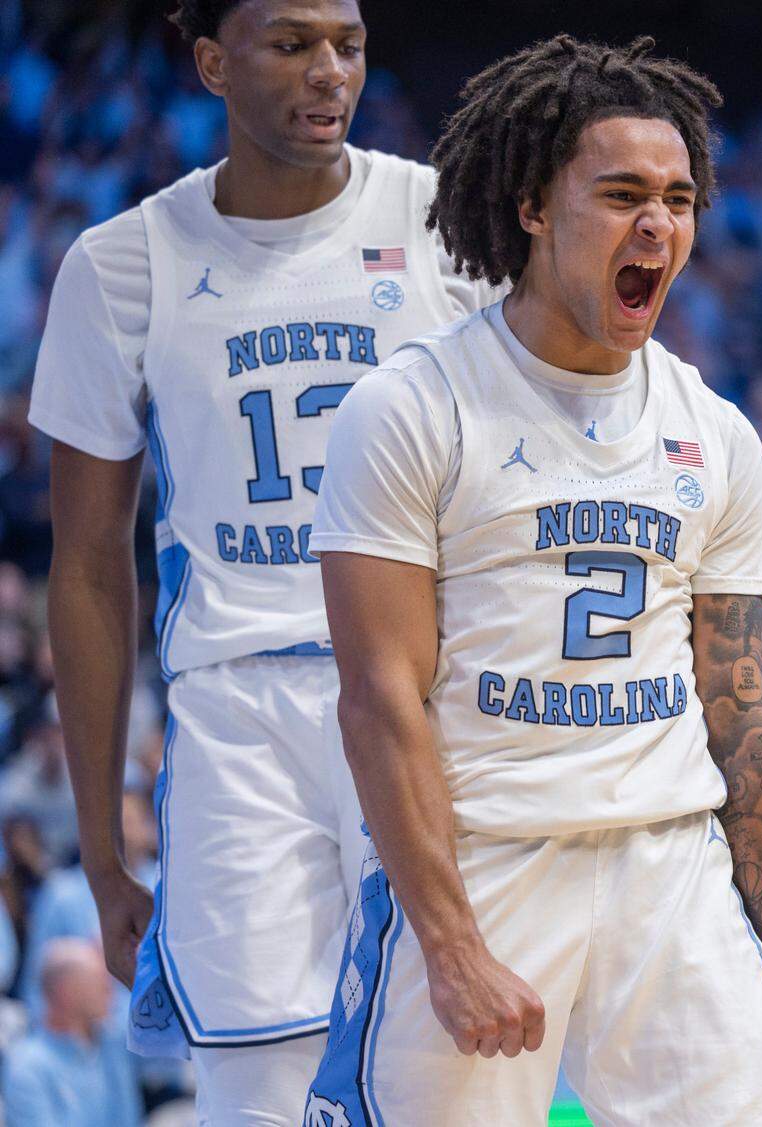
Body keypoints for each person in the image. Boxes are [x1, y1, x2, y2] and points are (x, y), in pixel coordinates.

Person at [303, 34, 762, 1127]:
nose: (658, 224)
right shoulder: (411, 407)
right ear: (532, 208)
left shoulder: (716, 434)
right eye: (621, 194)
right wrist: (450, 942)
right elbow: (378, 697)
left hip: (671, 865)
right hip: (485, 858)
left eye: (679, 200)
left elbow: (742, 709)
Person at [29, 0, 497, 1121]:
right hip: (238, 717)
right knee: (256, 1089)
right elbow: (87, 568)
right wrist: (101, 849)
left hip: (421, 692)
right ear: (211, 63)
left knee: (449, 1069)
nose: (329, 70)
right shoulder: (120, 265)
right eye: (291, 44)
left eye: (349, 44)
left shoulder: (446, 223)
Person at [1, 937, 142, 1127]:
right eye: (98, 982)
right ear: (66, 992)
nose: (109, 991)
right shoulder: (28, 1066)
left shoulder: (112, 1042)